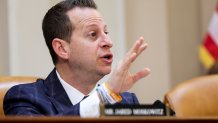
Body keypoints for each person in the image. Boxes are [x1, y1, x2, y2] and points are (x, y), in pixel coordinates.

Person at [3, 0, 150, 117]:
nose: (108, 42)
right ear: (62, 49)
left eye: (106, 32)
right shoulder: (25, 98)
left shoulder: (125, 101)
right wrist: (105, 95)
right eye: (93, 34)